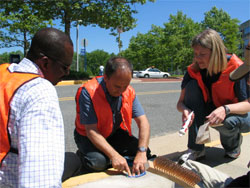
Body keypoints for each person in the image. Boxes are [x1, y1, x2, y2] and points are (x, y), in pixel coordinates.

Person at [0, 28, 73, 187]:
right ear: (45, 62)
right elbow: (39, 177)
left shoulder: (3, 73)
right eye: (64, 67)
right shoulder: (39, 90)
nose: (67, 73)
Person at [180, 41, 250, 188]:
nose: (197, 58)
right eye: (196, 54)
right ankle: (197, 148)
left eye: (202, 54)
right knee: (192, 87)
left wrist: (226, 109)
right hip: (212, 110)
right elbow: (180, 102)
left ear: (216, 53)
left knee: (228, 121)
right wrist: (186, 110)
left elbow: (247, 104)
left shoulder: (235, 66)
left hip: (238, 114)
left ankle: (232, 147)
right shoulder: (193, 71)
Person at [74, 57, 154, 177]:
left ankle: (111, 156)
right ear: (106, 77)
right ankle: (82, 155)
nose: (121, 91)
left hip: (112, 132)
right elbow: (91, 131)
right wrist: (114, 156)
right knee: (98, 163)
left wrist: (141, 152)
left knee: (145, 152)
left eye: (125, 86)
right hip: (87, 136)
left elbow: (143, 122)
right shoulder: (88, 92)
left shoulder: (129, 91)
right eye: (117, 86)